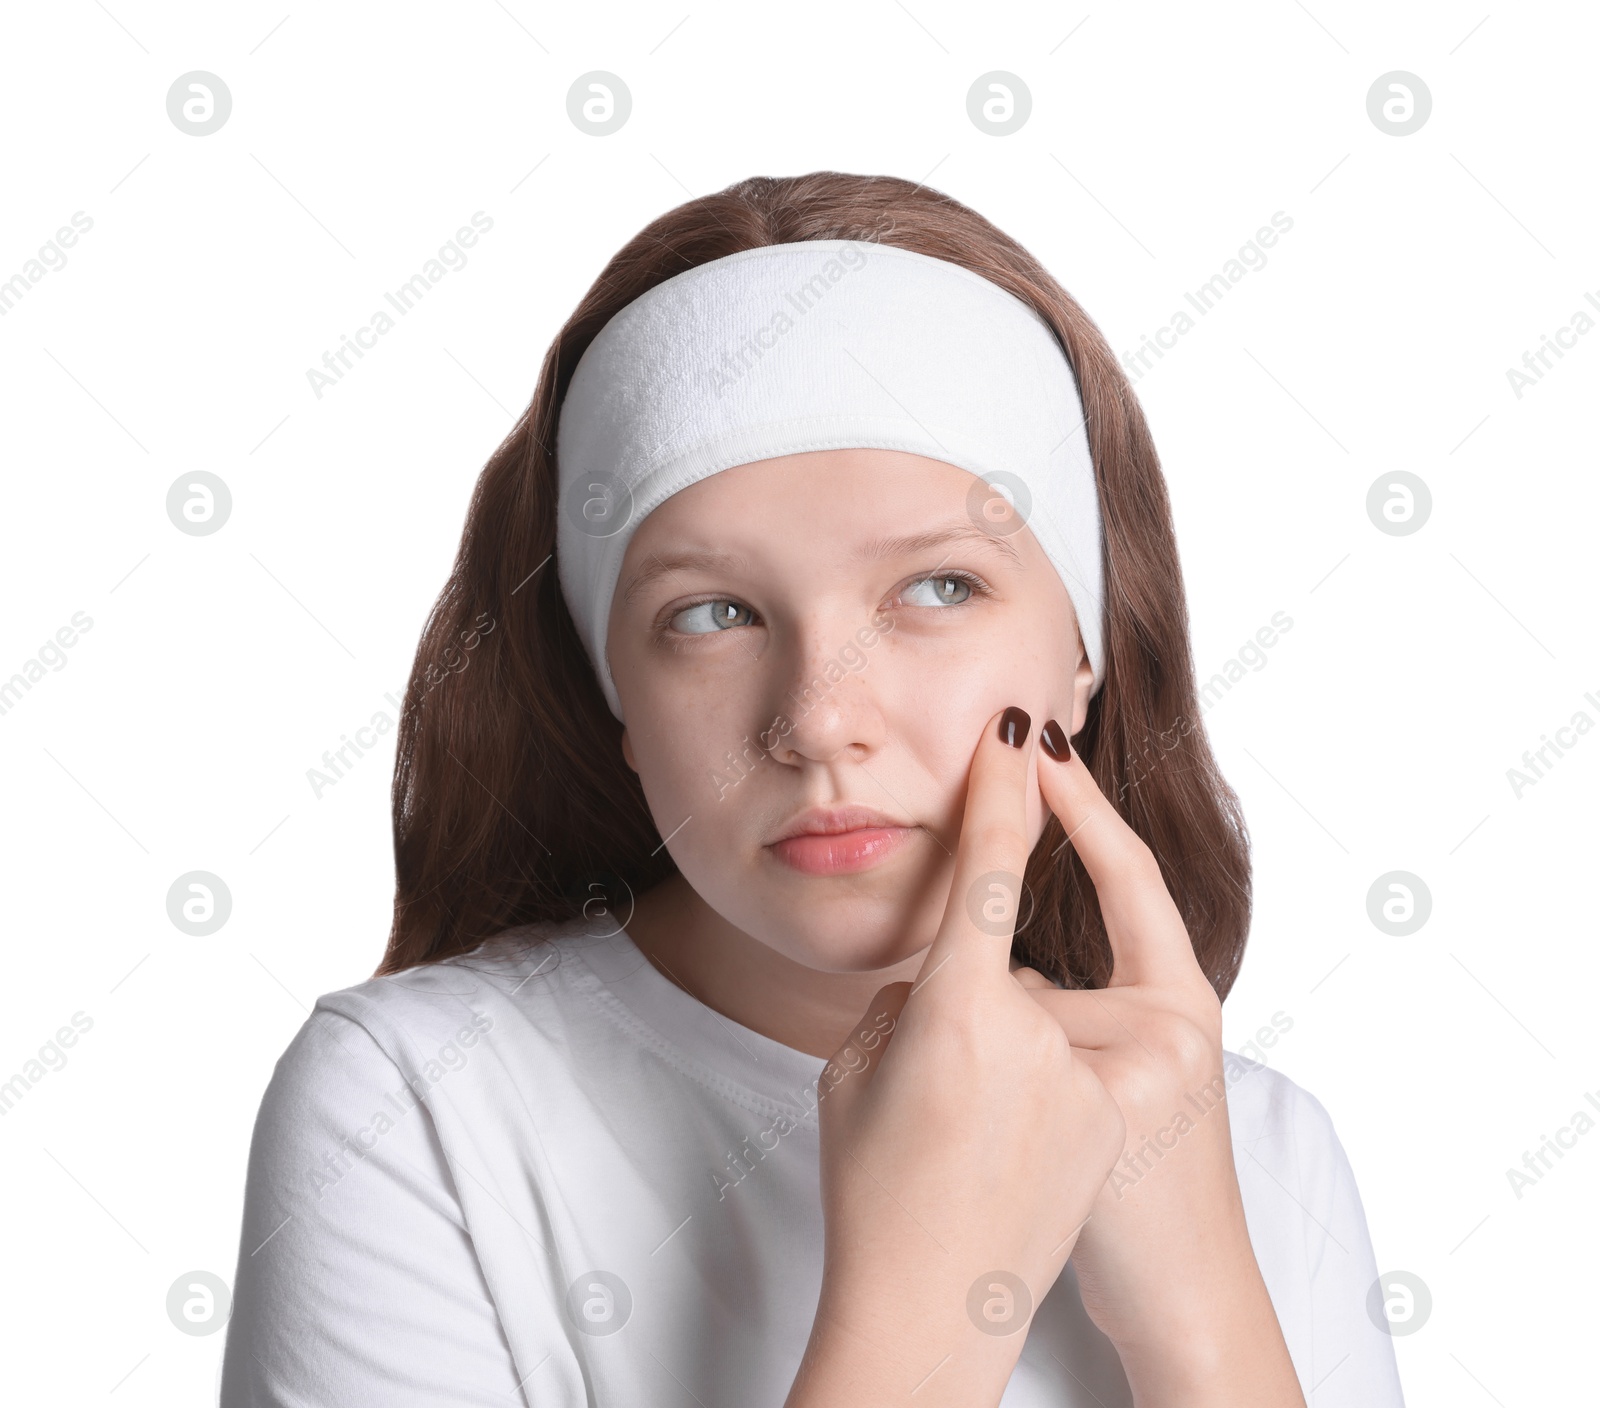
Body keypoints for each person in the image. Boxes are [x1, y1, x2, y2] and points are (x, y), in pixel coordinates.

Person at [219, 172, 1405, 1406]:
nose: (819, 720)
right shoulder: (416, 1107)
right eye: (712, 613)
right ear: (615, 693)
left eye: (938, 587)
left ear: (1084, 647)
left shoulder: (1259, 1147)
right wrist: (930, 1300)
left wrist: (1203, 1316)